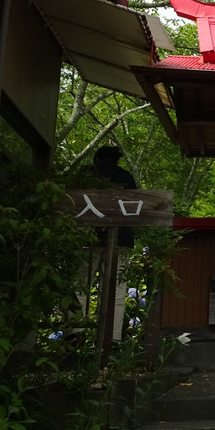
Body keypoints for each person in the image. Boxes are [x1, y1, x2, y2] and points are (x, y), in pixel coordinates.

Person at [92, 145, 137, 340]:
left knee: (78, 284)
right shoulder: (126, 178)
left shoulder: (87, 175)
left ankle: (74, 334)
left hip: (88, 238)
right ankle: (112, 338)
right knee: (116, 290)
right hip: (122, 240)